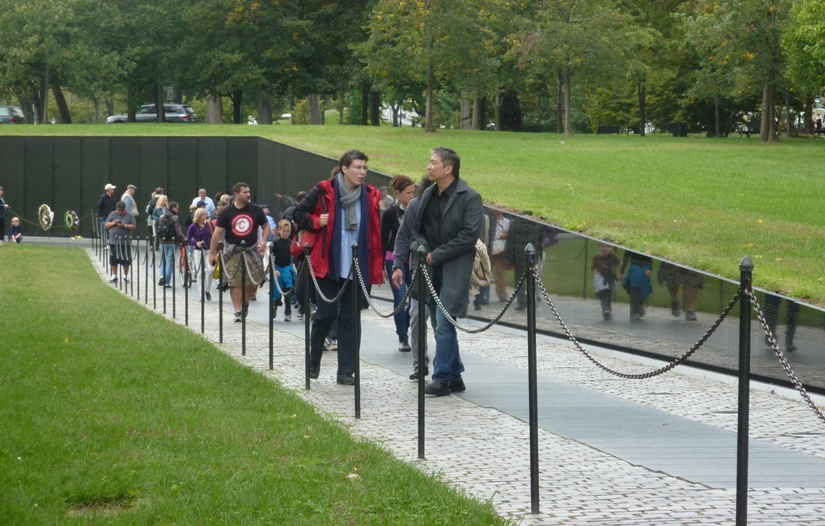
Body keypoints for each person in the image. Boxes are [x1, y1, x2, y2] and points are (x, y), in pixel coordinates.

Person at [293, 149, 384, 386]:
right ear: (344, 168)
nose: (362, 172)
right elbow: (298, 213)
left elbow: (374, 233)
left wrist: (377, 263)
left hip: (357, 265)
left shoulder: (371, 194)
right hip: (328, 263)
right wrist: (315, 221)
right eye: (357, 167)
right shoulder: (324, 190)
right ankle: (313, 361)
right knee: (326, 314)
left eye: (365, 168)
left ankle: (346, 371)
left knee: (350, 319)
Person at [409, 146, 483, 396]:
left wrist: (436, 255)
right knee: (441, 324)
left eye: (433, 162)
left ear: (448, 169)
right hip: (429, 270)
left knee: (443, 321)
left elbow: (469, 236)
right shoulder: (428, 194)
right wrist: (420, 248)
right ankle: (455, 375)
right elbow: (416, 230)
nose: (428, 166)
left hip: (454, 268)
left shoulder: (470, 197)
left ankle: (441, 379)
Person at [208, 182, 270, 323]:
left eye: (249, 192)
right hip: (233, 250)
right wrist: (212, 254)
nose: (248, 194)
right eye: (244, 192)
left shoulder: (256, 210)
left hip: (251, 250)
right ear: (236, 194)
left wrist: (264, 241)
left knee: (254, 281)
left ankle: (245, 302)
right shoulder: (226, 212)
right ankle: (237, 310)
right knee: (235, 282)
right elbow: (217, 234)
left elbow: (266, 226)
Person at [381, 175, 416, 352]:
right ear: (397, 193)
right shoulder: (390, 213)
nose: (411, 196)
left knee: (416, 298)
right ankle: (403, 337)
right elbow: (383, 238)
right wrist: (381, 265)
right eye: (408, 193)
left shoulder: (417, 210)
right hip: (393, 258)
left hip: (413, 259)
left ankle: (406, 322)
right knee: (400, 298)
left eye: (413, 192)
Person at [154, 197, 186, 287]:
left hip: (162, 241)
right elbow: (178, 231)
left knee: (163, 260)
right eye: (177, 207)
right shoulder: (175, 217)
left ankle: (162, 275)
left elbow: (158, 230)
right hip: (172, 242)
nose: (178, 209)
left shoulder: (162, 217)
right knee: (170, 262)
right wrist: (183, 239)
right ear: (174, 208)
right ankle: (167, 281)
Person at [271, 219, 297, 321]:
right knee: (276, 292)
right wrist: (273, 269)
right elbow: (271, 258)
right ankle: (275, 303)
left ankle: (288, 312)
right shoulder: (275, 244)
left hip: (287, 268)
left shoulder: (291, 243)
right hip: (277, 268)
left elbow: (294, 256)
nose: (286, 233)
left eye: (288, 231)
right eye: (284, 231)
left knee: (287, 292)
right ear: (279, 230)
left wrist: (294, 265)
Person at [104, 201, 136, 282]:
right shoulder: (112, 214)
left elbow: (133, 226)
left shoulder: (129, 215)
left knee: (126, 259)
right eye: (119, 210)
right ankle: (114, 275)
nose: (120, 212)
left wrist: (124, 225)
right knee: (113, 259)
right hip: (113, 241)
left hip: (125, 242)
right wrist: (114, 223)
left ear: (125, 209)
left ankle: (126, 275)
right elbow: (106, 224)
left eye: (122, 210)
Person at [187, 208, 214, 300]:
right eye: (203, 214)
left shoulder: (209, 224)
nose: (206, 216)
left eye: (206, 214)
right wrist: (196, 243)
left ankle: (207, 290)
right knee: (200, 272)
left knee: (210, 270)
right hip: (199, 250)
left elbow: (214, 235)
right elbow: (188, 239)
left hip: (209, 250)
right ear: (199, 216)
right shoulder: (193, 226)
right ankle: (201, 293)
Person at [619, 250, 653, 321]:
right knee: (630, 285)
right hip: (634, 266)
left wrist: (650, 268)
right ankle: (634, 312)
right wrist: (622, 272)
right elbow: (626, 256)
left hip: (645, 267)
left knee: (644, 288)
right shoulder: (631, 244)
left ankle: (640, 303)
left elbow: (650, 255)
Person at [592, 241, 620, 320]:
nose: (605, 248)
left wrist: (622, 273)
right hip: (601, 276)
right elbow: (594, 267)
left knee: (610, 293)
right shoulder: (596, 257)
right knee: (603, 293)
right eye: (603, 246)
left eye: (607, 247)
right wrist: (593, 276)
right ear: (600, 247)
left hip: (610, 276)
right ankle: (605, 310)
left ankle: (608, 310)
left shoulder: (612, 256)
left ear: (610, 248)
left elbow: (619, 263)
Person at [489, 209, 510, 302]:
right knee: (485, 272)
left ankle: (502, 293)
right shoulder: (489, 220)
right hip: (489, 248)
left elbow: (509, 236)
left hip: (500, 249)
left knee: (500, 273)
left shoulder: (507, 222)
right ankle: (482, 295)